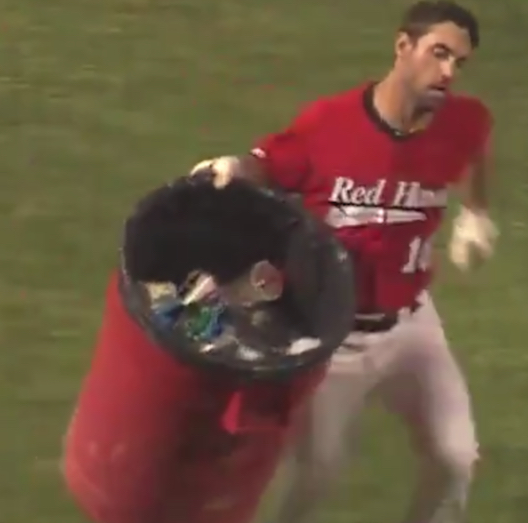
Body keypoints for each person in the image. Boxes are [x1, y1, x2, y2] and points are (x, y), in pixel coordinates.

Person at [188, 2, 497, 522]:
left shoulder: (462, 120)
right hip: (334, 337)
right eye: (438, 53)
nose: (448, 72)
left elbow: (477, 147)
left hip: (412, 325)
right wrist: (231, 168)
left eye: (459, 62)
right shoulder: (329, 124)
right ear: (404, 47)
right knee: (317, 474)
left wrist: (477, 214)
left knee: (455, 457)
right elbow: (268, 166)